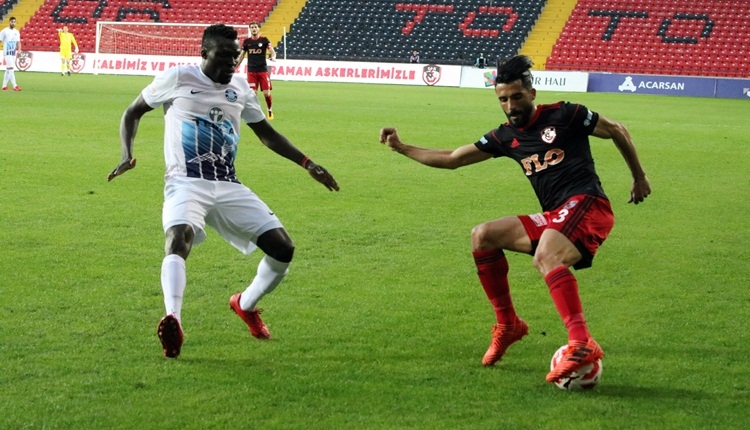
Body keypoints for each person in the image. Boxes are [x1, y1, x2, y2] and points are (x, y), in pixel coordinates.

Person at [378, 55, 650, 384]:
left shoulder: (567, 114)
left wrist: (639, 177)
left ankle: (580, 342)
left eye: (516, 97)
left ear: (532, 93)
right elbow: (452, 159)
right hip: (557, 215)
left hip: (589, 205)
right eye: (503, 99)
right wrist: (401, 147)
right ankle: (508, 324)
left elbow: (618, 130)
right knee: (483, 235)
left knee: (546, 255)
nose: (510, 105)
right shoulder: (506, 136)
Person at [108, 24, 340, 359]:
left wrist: (307, 163)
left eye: (236, 56)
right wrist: (126, 154)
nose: (233, 63)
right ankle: (173, 319)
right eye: (225, 56)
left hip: (227, 183)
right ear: (204, 54)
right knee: (178, 236)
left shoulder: (241, 88)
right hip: (185, 181)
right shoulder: (178, 78)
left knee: (283, 249)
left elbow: (266, 134)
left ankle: (245, 304)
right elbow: (132, 112)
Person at [236, 21, 276, 119]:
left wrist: (273, 57)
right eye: (252, 27)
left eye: (255, 27)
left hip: (262, 70)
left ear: (258, 29)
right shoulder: (247, 42)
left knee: (267, 93)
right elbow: (242, 55)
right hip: (251, 71)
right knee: (253, 94)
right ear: (250, 29)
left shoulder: (264, 40)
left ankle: (269, 109)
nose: (254, 29)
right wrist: (236, 66)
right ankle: (256, 112)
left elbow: (272, 51)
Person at [0, 16, 22, 91]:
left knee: (8, 69)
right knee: (11, 68)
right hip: (7, 52)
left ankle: (4, 86)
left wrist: (19, 49)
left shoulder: (16, 32)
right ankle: (15, 85)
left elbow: (18, 42)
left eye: (14, 22)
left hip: (13, 52)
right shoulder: (4, 31)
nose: (13, 23)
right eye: (12, 22)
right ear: (9, 22)